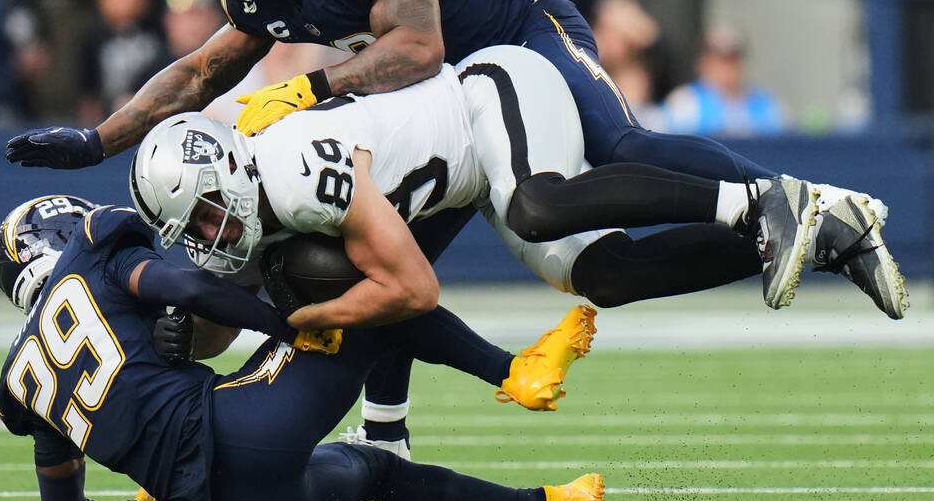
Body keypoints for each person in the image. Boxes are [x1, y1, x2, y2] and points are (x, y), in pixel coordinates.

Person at [5, 0, 905, 450]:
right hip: (459, 99)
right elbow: (198, 73)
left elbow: (419, 47)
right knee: (600, 272)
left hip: (516, 39)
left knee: (614, 147)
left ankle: (788, 200)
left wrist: (308, 87)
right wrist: (96, 140)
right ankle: (776, 235)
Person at [130, 46, 902, 336]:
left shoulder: (295, 172)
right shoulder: (246, 207)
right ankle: (820, 236)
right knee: (606, 277)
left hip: (489, 95)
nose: (205, 232)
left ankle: (755, 202)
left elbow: (414, 289)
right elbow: (225, 316)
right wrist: (182, 334)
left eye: (200, 208)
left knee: (538, 206)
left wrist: (300, 320)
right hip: (478, 175)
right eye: (187, 226)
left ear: (223, 165)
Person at [0, 194, 606, 501]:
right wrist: (288, 324)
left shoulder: (17, 384)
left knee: (375, 470)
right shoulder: (98, 249)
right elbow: (195, 292)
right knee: (367, 306)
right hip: (241, 429)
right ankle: (516, 371)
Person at [77, 0, 170, 125]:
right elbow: (87, 88)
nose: (125, 0)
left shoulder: (156, 31)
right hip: (106, 117)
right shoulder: (94, 36)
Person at [663, 24, 787, 137]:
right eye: (720, 59)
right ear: (702, 62)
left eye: (734, 58)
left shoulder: (766, 103)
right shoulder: (685, 102)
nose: (728, 67)